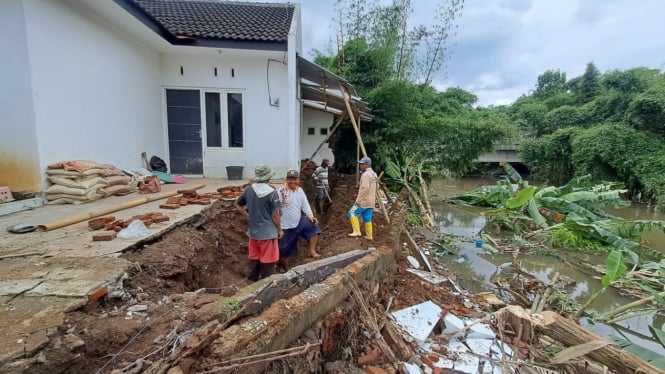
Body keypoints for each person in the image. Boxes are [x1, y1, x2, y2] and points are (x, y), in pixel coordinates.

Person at [234, 164, 283, 281]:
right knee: (269, 261)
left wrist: (248, 217)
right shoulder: (272, 192)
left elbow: (237, 204)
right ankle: (266, 285)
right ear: (268, 178)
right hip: (268, 234)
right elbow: (275, 214)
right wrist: (279, 229)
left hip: (253, 233)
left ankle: (251, 282)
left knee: (254, 258)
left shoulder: (249, 190)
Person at [277, 169, 322, 271]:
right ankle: (281, 266)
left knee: (314, 227)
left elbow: (305, 205)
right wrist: (278, 228)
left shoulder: (300, 190)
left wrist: (311, 216)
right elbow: (275, 210)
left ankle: (312, 251)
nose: (293, 181)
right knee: (283, 251)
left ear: (298, 180)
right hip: (285, 227)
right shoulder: (280, 192)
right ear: (286, 179)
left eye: (295, 179)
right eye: (290, 179)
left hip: (298, 222)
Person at [348, 156, 377, 240]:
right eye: (360, 164)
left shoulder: (365, 175)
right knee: (367, 217)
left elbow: (365, 188)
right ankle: (369, 235)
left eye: (362, 164)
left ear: (367, 165)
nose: (360, 165)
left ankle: (357, 231)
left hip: (364, 200)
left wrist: (358, 200)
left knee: (351, 212)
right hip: (371, 201)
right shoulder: (373, 174)